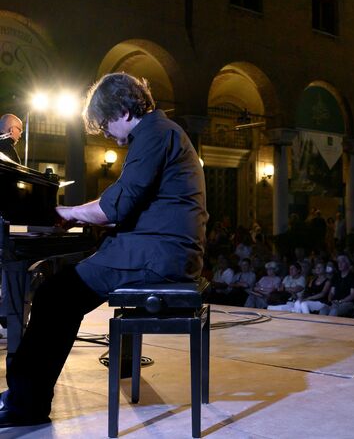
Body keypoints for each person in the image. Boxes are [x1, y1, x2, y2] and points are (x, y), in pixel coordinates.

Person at [0, 73, 208, 427]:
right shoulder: (160, 133)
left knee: (55, 295)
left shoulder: (154, 135)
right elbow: (127, 205)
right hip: (160, 249)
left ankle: (26, 404)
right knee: (60, 292)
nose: (107, 134)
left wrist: (65, 213)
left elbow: (115, 208)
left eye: (106, 125)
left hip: (157, 256)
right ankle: (23, 392)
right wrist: (79, 215)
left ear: (125, 111)